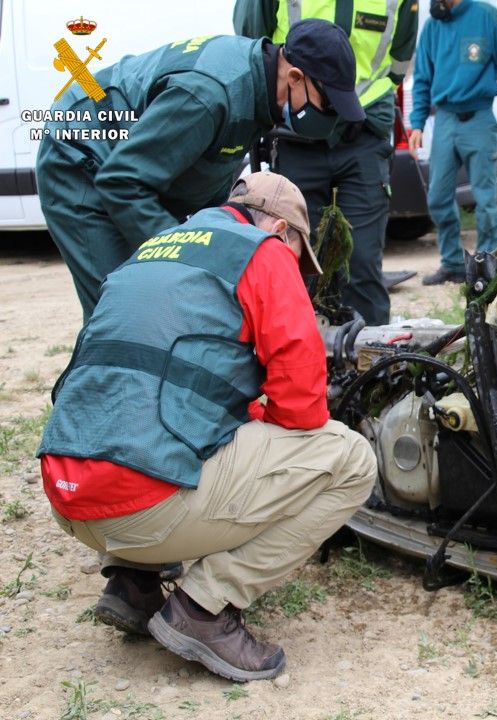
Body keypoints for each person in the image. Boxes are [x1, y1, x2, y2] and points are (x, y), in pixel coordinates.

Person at [36, 172, 377, 682]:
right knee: (350, 460)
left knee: (161, 410)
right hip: (143, 509)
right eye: (296, 253)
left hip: (67, 495)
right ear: (280, 228)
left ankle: (133, 583)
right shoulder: (263, 252)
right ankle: (204, 609)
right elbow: (303, 407)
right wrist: (257, 414)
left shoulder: (154, 248)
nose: (297, 268)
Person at [37, 19, 365, 323]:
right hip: (82, 155)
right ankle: (109, 378)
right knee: (125, 308)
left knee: (181, 301)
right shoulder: (209, 96)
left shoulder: (259, 92)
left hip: (132, 165)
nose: (330, 116)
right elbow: (121, 182)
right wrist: (186, 254)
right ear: (294, 77)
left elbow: (209, 179)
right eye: (329, 105)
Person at [234, 0, 419, 325]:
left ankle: (370, 366)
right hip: (294, 134)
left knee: (362, 264)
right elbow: (251, 44)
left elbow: (401, 57)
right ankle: (298, 363)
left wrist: (359, 99)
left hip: (364, 129)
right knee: (294, 261)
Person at [408, 0, 497, 285]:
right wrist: (416, 124)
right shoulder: (432, 26)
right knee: (437, 197)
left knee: (485, 199)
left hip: (479, 117)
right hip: (446, 119)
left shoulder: (487, 17)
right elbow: (422, 78)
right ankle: (452, 264)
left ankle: (486, 265)